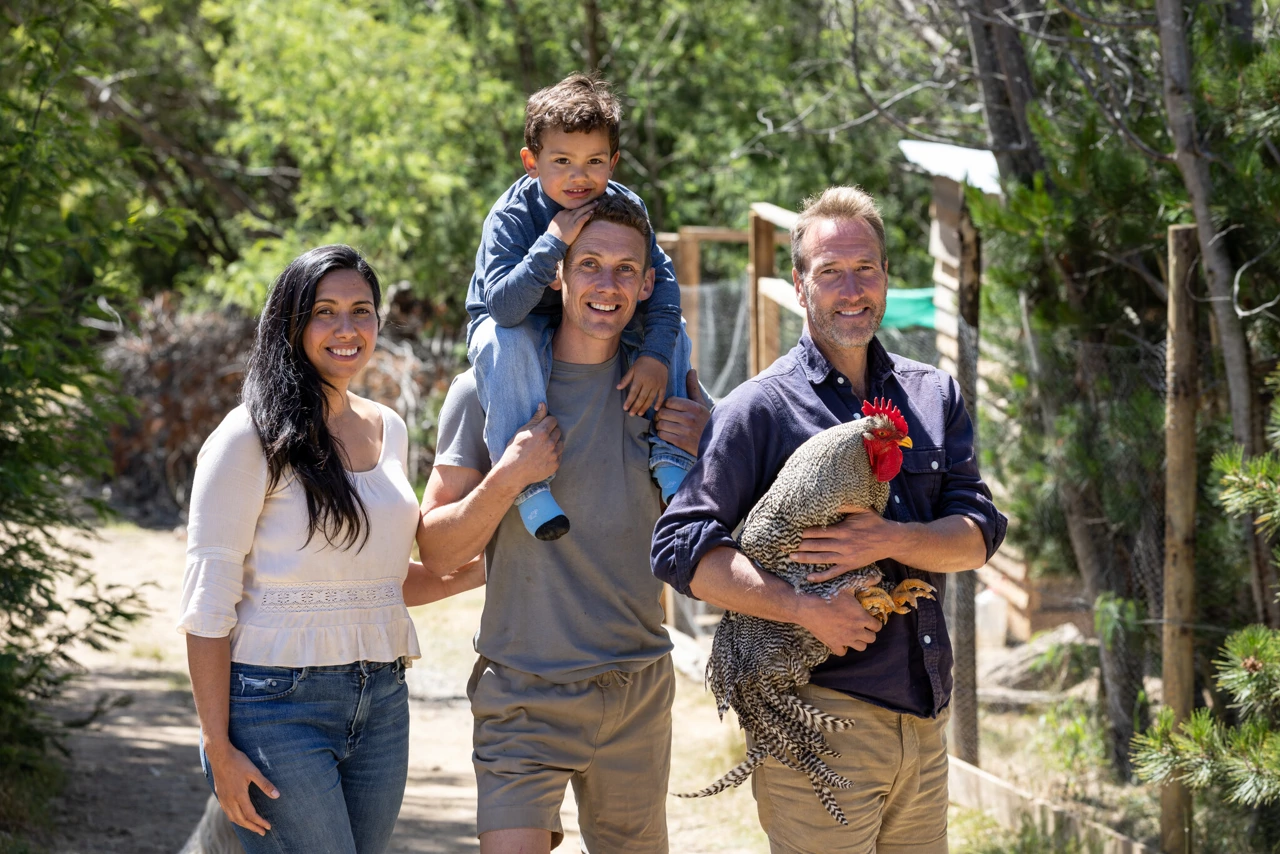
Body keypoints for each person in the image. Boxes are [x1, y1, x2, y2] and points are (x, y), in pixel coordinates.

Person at [652, 186, 1007, 854]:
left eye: (865, 268)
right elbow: (679, 548)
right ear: (798, 284)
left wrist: (891, 539)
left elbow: (977, 535)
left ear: (886, 275)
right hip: (815, 719)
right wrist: (798, 608)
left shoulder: (933, 394)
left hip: (927, 726)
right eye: (830, 271)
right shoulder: (761, 408)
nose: (852, 288)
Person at [423, 192, 710, 854]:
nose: (606, 285)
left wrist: (710, 444)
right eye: (590, 264)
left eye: (624, 269)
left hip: (635, 689)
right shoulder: (485, 389)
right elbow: (437, 550)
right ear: (558, 271)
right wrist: (509, 477)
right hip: (523, 696)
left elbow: (725, 535)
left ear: (646, 283)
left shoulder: (675, 394)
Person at [178, 245, 484, 853]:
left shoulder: (389, 429)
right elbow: (208, 603)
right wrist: (217, 742)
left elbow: (385, 583)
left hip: (383, 701)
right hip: (274, 708)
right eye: (325, 311)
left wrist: (494, 568)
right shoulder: (248, 436)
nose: (347, 329)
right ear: (292, 323)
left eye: (361, 311)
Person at [465, 72, 695, 542]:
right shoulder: (512, 217)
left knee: (673, 328)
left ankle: (671, 456)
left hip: (595, 313)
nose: (579, 176)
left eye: (594, 161)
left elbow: (664, 286)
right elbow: (505, 310)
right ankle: (529, 484)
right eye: (562, 161)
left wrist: (653, 357)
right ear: (532, 162)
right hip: (520, 322)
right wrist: (553, 241)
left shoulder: (625, 205)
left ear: (612, 162)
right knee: (501, 340)